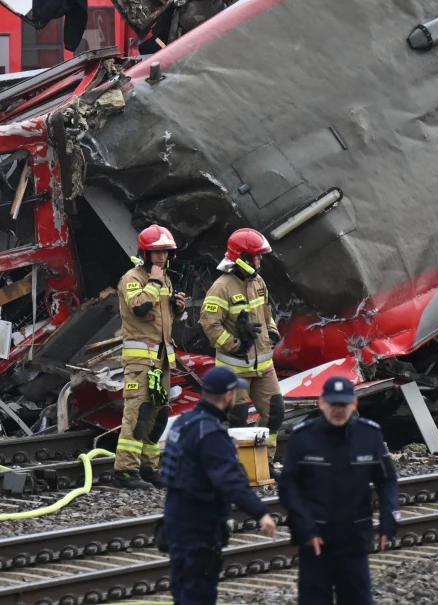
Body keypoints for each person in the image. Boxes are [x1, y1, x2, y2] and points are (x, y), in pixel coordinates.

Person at [161, 366, 278, 605]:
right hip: (200, 525)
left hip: (176, 518)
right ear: (228, 396)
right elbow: (230, 479)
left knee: (183, 589)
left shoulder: (184, 422)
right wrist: (261, 512)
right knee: (199, 593)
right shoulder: (212, 433)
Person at [279, 376, 398, 605]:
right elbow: (288, 486)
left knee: (357, 598)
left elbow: (387, 481)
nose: (338, 410)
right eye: (333, 404)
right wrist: (304, 527)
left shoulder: (369, 435)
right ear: (322, 402)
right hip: (314, 540)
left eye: (343, 404)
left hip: (354, 538)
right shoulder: (303, 437)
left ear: (354, 403)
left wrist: (389, 518)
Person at [199, 229, 283, 457]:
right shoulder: (221, 287)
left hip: (264, 367)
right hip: (234, 370)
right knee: (236, 420)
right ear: (244, 258)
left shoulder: (259, 282)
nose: (261, 260)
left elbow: (267, 313)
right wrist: (235, 344)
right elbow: (209, 323)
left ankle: (264, 462)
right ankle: (230, 465)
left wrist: (272, 332)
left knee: (274, 412)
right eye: (257, 256)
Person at [114, 223, 187, 489]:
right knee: (137, 415)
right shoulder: (133, 278)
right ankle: (125, 471)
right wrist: (155, 282)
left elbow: (160, 317)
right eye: (156, 252)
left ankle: (148, 469)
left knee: (157, 417)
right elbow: (141, 308)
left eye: (166, 252)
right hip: (141, 361)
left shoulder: (164, 279)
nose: (162, 257)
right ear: (145, 253)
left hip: (162, 360)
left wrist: (177, 309)